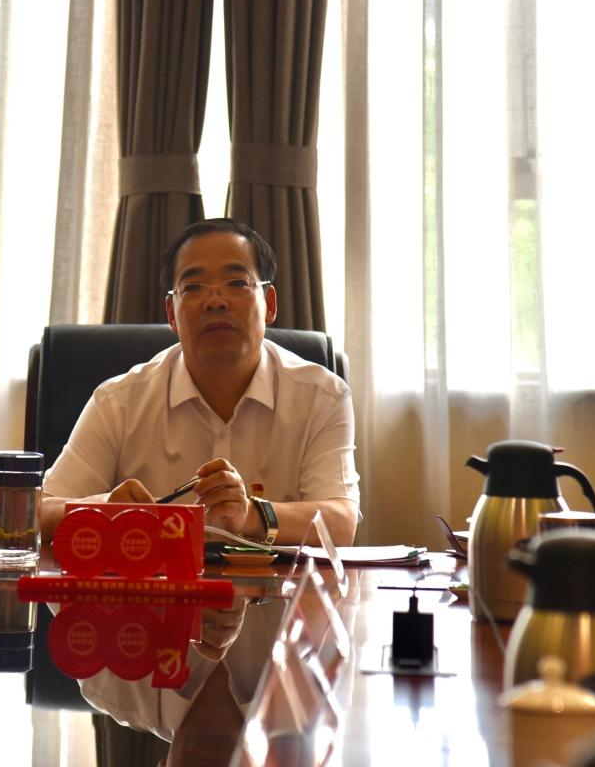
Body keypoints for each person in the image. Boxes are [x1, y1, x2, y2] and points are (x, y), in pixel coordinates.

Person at [40, 217, 359, 546]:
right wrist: (103, 508)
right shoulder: (118, 401)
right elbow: (39, 511)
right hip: (154, 579)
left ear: (270, 304)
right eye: (193, 287)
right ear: (171, 314)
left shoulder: (322, 396)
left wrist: (250, 515)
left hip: (276, 583)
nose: (215, 301)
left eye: (236, 283)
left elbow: (341, 523)